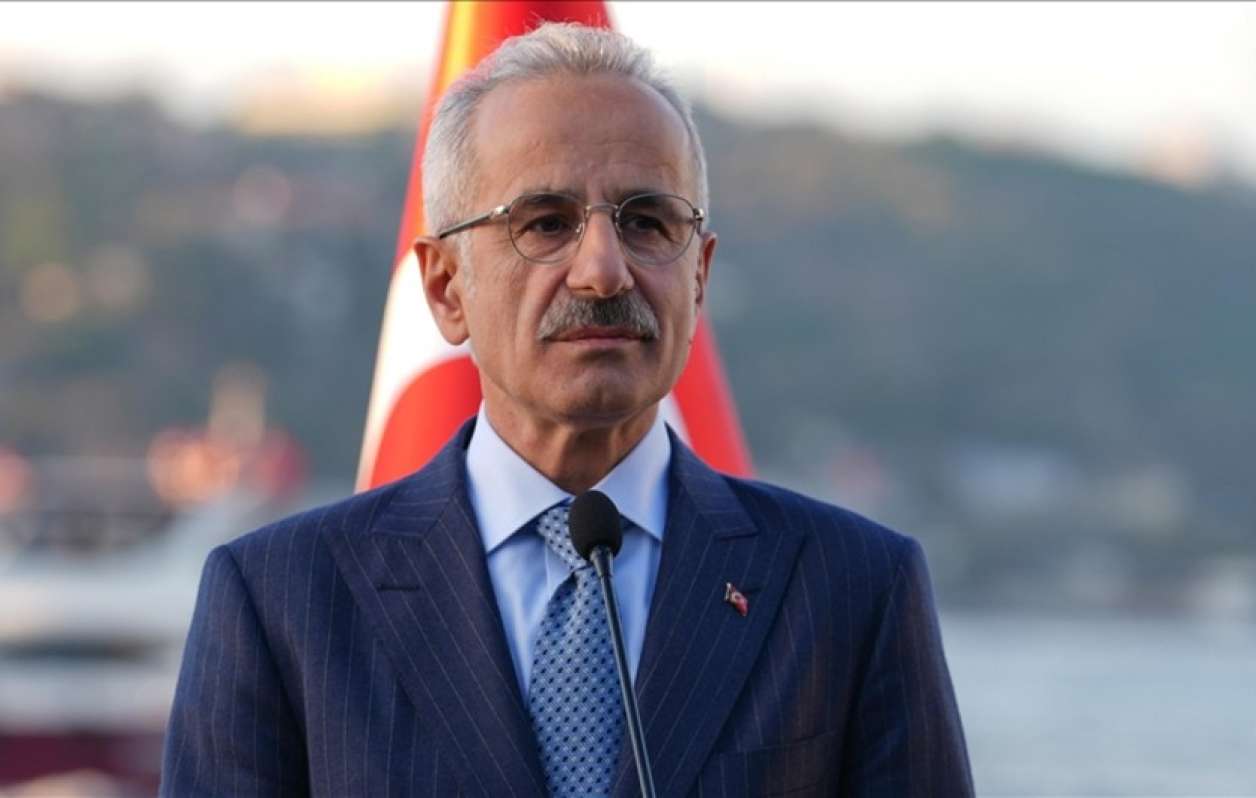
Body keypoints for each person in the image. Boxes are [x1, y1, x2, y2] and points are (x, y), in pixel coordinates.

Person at [161, 22, 972, 797]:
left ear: (699, 276)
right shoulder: (282, 601)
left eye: (648, 222)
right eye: (545, 223)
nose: (603, 271)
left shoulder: (851, 589)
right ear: (446, 287)